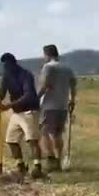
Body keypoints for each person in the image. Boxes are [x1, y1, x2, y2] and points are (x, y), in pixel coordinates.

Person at [0, 53, 44, 179]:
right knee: (11, 140)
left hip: (29, 111)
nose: (5, 68)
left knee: (32, 140)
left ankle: (37, 168)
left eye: (7, 65)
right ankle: (21, 167)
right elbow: (2, 92)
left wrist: (8, 105)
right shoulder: (6, 76)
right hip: (17, 113)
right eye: (3, 66)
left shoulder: (25, 75)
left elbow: (28, 95)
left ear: (13, 63)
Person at [37, 44, 77, 172]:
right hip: (62, 105)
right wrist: (72, 100)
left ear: (47, 55)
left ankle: (51, 159)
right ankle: (58, 159)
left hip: (49, 106)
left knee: (44, 132)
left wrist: (35, 99)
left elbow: (44, 85)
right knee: (57, 133)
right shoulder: (67, 68)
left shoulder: (48, 67)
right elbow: (73, 85)